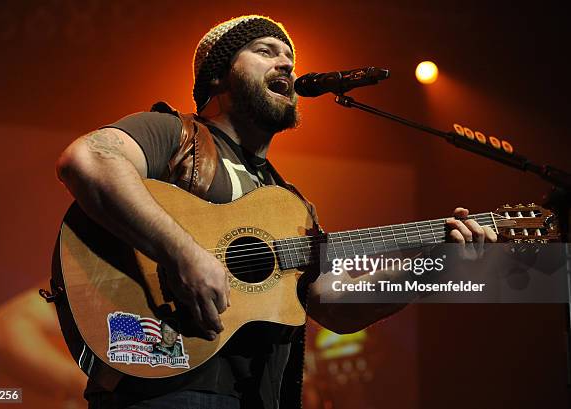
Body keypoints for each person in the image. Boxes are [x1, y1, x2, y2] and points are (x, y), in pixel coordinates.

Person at [56, 14, 496, 409]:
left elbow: (335, 309)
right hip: (160, 383)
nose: (286, 64)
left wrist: (431, 267)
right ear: (217, 76)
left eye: (289, 56)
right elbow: (89, 161)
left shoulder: (288, 201)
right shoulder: (175, 134)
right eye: (265, 52)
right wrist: (183, 253)